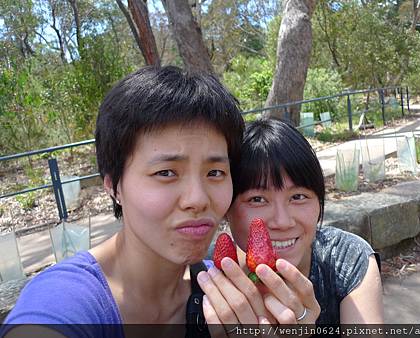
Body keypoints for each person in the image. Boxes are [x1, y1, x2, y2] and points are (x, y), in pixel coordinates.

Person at [2, 66, 246, 337]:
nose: (198, 200)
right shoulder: (66, 300)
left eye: (215, 173)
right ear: (113, 185)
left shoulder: (224, 291)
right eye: (165, 173)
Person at [198, 117, 383, 326]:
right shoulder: (205, 275)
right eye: (257, 199)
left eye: (298, 197)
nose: (282, 222)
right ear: (226, 207)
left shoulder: (346, 259)